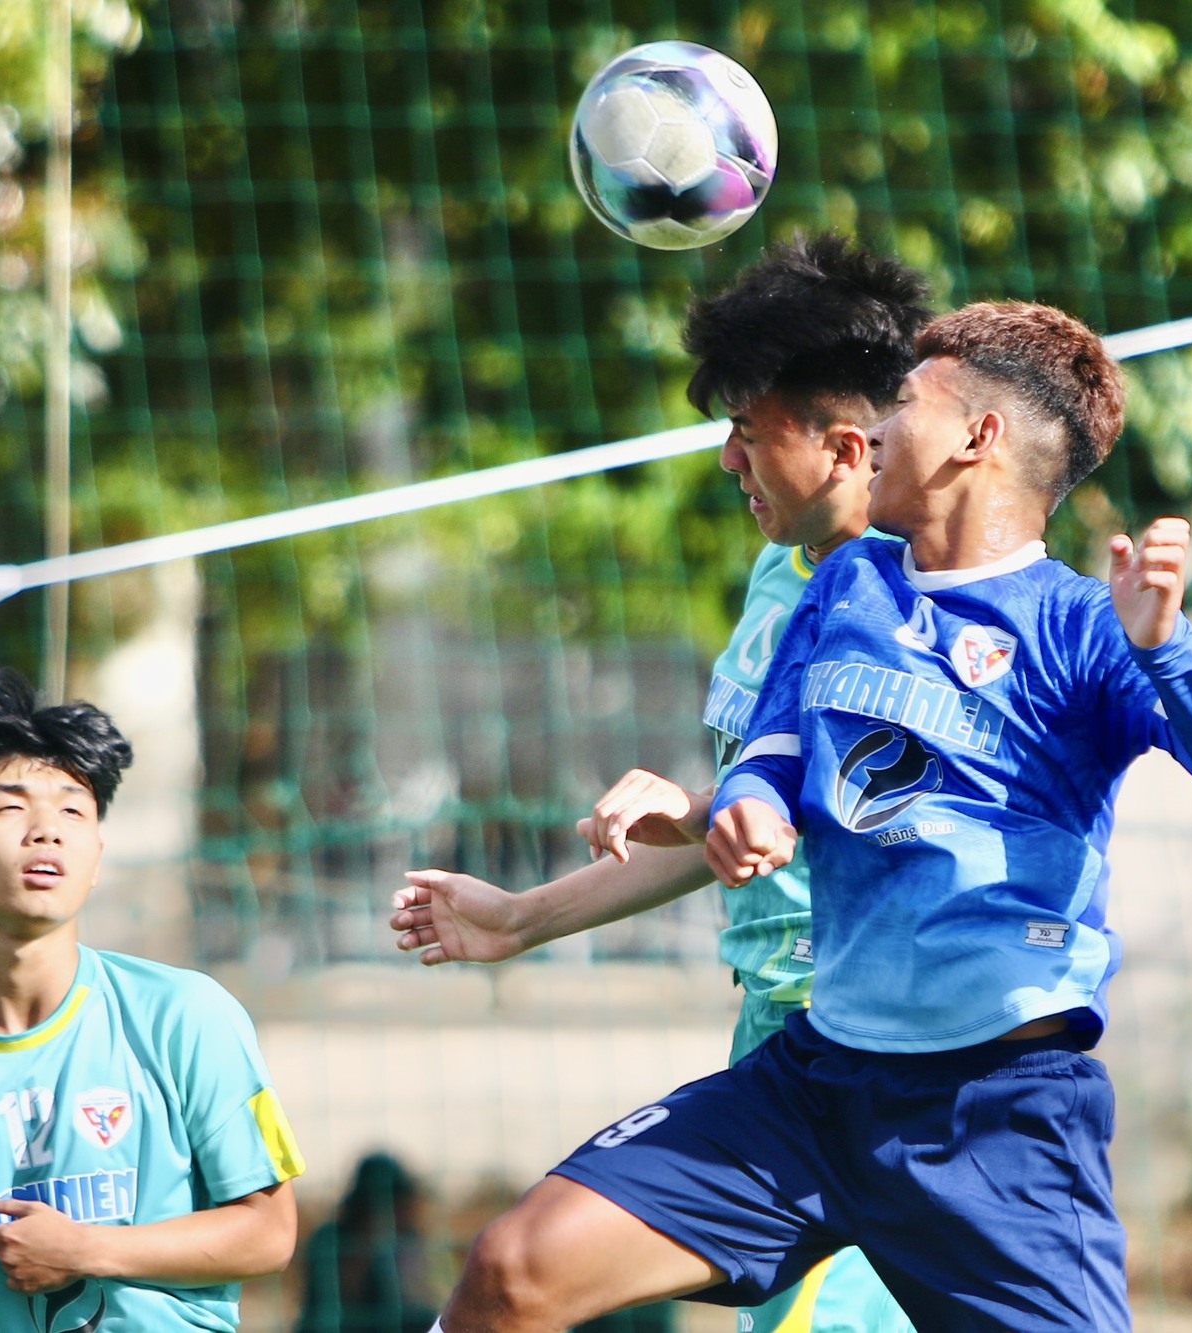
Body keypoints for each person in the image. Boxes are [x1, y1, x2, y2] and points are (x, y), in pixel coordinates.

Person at [427, 302, 1192, 1331]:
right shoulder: (846, 583)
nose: (875, 430)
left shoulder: (1078, 627)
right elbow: (772, 756)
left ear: (977, 439)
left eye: (903, 405)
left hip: (994, 1116)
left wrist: (1165, 650)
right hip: (812, 1084)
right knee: (513, 1269)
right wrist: (734, 811)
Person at [390, 232, 928, 1333]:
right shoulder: (781, 576)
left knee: (516, 1276)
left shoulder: (937, 603)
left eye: (744, 432)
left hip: (885, 1063)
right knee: (507, 1278)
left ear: (841, 446)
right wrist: (517, 919)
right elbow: (737, 828)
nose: (726, 460)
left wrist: (710, 812)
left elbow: (857, 827)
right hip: (776, 1044)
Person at [0, 669, 303, 1332]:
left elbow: (270, 1231)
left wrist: (90, 1249)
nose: (47, 831)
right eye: (11, 808)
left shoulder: (187, 1015)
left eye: (73, 810)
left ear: (96, 855)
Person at [297, 1153, 442, 1333]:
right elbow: (336, 1302)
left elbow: (417, 1296)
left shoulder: (407, 1238)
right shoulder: (330, 1239)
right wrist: (370, 1242)